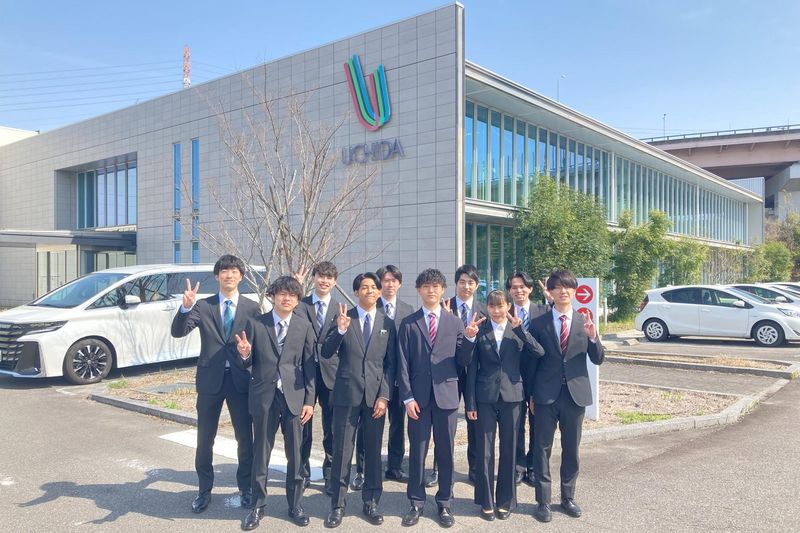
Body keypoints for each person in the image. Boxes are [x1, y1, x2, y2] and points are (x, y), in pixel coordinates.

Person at [170, 254, 260, 514]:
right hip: (210, 380)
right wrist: (185, 308)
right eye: (224, 271)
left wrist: (247, 355)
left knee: (245, 438)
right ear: (217, 276)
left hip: (240, 380)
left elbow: (259, 345)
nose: (229, 275)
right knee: (205, 438)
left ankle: (246, 488)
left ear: (241, 276)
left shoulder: (252, 308)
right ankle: (204, 491)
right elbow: (178, 332)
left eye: (234, 271)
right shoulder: (203, 306)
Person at [397, 268, 482, 528]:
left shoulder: (454, 322)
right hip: (418, 401)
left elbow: (462, 361)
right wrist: (407, 397)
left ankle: (445, 502)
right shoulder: (409, 323)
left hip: (446, 397)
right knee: (418, 453)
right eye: (426, 286)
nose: (431, 290)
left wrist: (470, 338)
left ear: (443, 290)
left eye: (435, 286)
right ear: (419, 290)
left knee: (446, 452)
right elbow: (402, 364)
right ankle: (416, 502)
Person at [235, 276, 316, 529]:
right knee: (261, 453)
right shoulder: (257, 323)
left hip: (294, 397)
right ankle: (258, 505)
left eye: (292, 295)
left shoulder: (304, 326)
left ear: (298, 300)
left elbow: (310, 366)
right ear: (272, 296)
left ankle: (295, 505)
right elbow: (247, 363)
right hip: (264, 397)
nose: (286, 298)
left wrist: (309, 401)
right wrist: (245, 354)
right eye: (282, 293)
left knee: (296, 455)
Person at [528, 269, 604, 523]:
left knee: (571, 449)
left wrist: (593, 337)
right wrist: (531, 395)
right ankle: (543, 501)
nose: (563, 291)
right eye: (558, 287)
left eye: (568, 287)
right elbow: (531, 362)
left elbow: (598, 358)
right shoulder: (538, 323)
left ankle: (568, 497)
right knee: (541, 449)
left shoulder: (585, 321)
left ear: (574, 291)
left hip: (575, 395)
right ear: (550, 291)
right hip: (545, 395)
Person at [322, 273, 396, 528]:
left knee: (373, 451)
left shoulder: (387, 323)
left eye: (374, 287)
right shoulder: (344, 317)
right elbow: (326, 352)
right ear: (355, 292)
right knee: (342, 451)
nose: (370, 291)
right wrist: (340, 330)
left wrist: (384, 396)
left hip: (375, 398)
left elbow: (390, 365)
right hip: (346, 395)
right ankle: (337, 504)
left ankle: (371, 501)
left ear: (379, 292)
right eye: (364, 287)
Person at [465, 290, 544, 521]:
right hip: (485, 398)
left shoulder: (517, 330)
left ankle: (505, 501)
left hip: (513, 397)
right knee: (485, 451)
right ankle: (486, 502)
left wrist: (521, 331)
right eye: (492, 306)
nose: (497, 310)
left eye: (501, 306)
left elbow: (539, 352)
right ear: (487, 308)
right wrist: (470, 402)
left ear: (509, 306)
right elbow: (470, 368)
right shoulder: (480, 330)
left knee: (509, 450)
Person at [352, 265, 415, 486]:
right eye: (385, 280)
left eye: (393, 280)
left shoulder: (407, 309)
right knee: (366, 426)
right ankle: (362, 470)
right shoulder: (370, 305)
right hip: (372, 379)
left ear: (399, 284)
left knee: (397, 423)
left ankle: (394, 467)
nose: (389, 284)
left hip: (398, 377)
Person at [295, 261, 341, 495]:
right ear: (313, 278)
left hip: (332, 374)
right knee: (303, 425)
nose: (324, 281)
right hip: (304, 373)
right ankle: (302, 473)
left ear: (334, 282)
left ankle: (330, 474)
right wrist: (296, 286)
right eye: (320, 276)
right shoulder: (301, 305)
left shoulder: (340, 308)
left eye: (329, 277)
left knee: (332, 427)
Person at [506, 271, 552, 486]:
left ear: (531, 289)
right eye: (514, 287)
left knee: (537, 423)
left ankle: (534, 466)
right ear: (509, 291)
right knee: (515, 423)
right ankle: (518, 466)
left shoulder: (543, 311)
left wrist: (551, 300)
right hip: (512, 376)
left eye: (523, 286)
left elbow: (562, 316)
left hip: (538, 376)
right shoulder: (503, 311)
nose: (519, 290)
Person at [444, 264, 486, 485]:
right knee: (444, 423)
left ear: (476, 285)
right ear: (455, 283)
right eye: (462, 282)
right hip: (448, 371)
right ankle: (440, 469)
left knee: (475, 421)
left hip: (476, 374)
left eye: (471, 283)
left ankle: (475, 468)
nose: (466, 286)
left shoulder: (485, 310)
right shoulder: (444, 306)